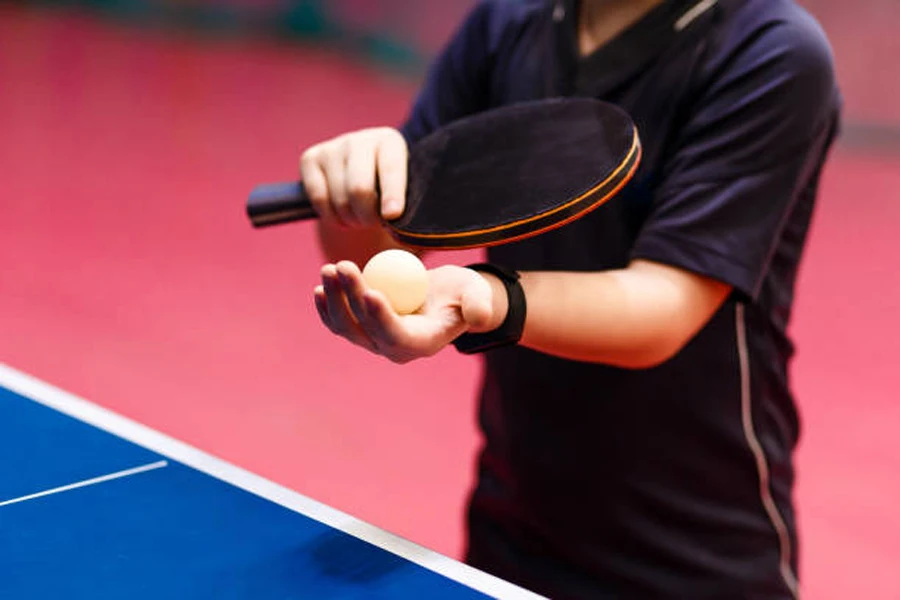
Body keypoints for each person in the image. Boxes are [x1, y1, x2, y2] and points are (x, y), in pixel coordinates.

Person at [302, 0, 841, 597]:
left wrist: (486, 297)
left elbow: (664, 305)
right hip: (512, 533)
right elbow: (387, 242)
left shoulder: (770, 50)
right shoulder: (508, 22)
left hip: (700, 556)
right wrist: (349, 195)